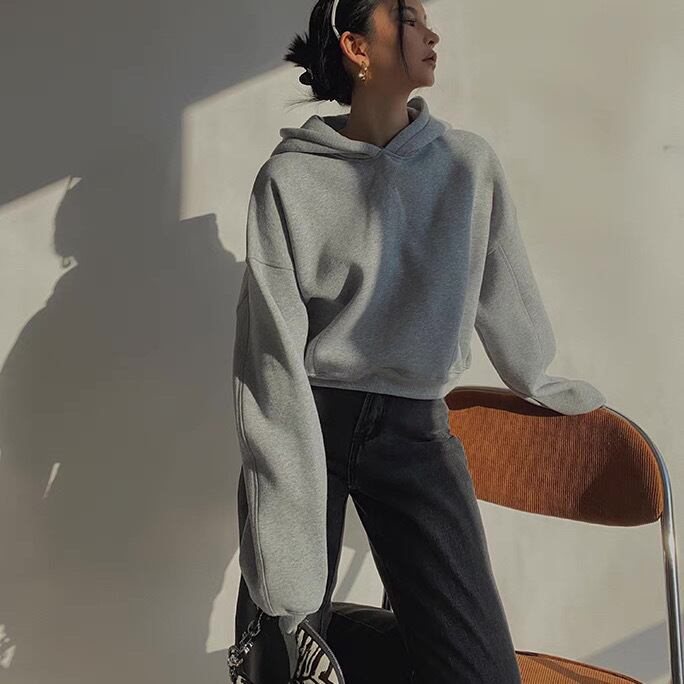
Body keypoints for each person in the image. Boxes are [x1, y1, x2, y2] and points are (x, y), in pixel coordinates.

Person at [232, 0, 606, 681]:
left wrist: (538, 377)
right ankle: (292, 636)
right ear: (357, 47)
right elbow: (269, 356)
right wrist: (287, 591)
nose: (431, 33)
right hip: (311, 425)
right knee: (278, 658)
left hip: (414, 432)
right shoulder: (289, 179)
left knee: (477, 671)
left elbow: (505, 287)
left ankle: (321, 638)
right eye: (407, 19)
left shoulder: (466, 165)